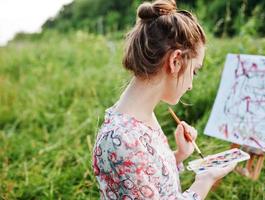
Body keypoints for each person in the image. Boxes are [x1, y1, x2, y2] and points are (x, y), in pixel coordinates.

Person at [92, 0, 236, 199]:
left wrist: (178, 155)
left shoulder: (143, 115)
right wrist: (204, 182)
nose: (190, 85)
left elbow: (148, 180)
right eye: (194, 71)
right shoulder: (123, 139)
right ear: (175, 61)